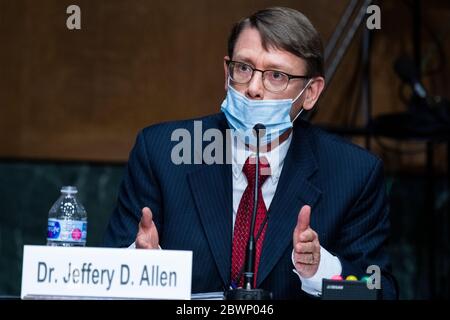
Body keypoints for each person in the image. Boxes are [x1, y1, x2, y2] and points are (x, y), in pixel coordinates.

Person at [103, 7, 397, 299]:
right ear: (227, 71)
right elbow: (103, 275)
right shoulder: (163, 152)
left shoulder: (353, 172)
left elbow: (379, 292)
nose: (254, 88)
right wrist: (141, 264)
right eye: (243, 68)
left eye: (276, 75)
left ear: (311, 93)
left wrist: (320, 270)